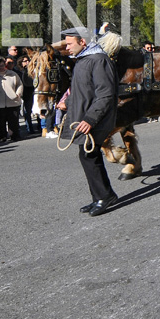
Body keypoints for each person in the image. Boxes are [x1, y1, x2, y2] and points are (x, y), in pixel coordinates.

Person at [61, 26, 119, 217]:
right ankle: (100, 196)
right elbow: (82, 91)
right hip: (84, 118)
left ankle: (105, 196)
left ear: (82, 42)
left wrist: (90, 119)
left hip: (95, 120)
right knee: (87, 156)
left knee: (88, 156)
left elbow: (105, 95)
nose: (67, 48)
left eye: (70, 44)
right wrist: (66, 102)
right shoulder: (84, 60)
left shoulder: (99, 60)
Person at [0, 57, 24, 142]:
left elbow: (20, 84)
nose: (1, 68)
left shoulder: (13, 74)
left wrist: (18, 94)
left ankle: (14, 135)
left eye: (2, 65)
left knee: (13, 120)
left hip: (13, 101)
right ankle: (1, 136)